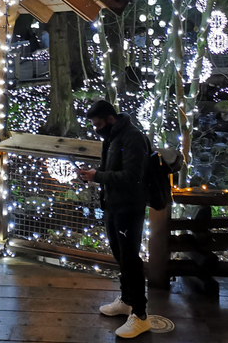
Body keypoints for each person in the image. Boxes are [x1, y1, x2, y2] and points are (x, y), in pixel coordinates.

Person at [78, 100, 150, 339]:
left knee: (130, 259)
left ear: (110, 119)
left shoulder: (132, 137)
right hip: (113, 207)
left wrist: (97, 176)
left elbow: (132, 176)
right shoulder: (112, 137)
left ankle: (140, 316)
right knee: (121, 256)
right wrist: (94, 175)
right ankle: (127, 300)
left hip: (129, 208)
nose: (96, 129)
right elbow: (112, 169)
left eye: (98, 124)